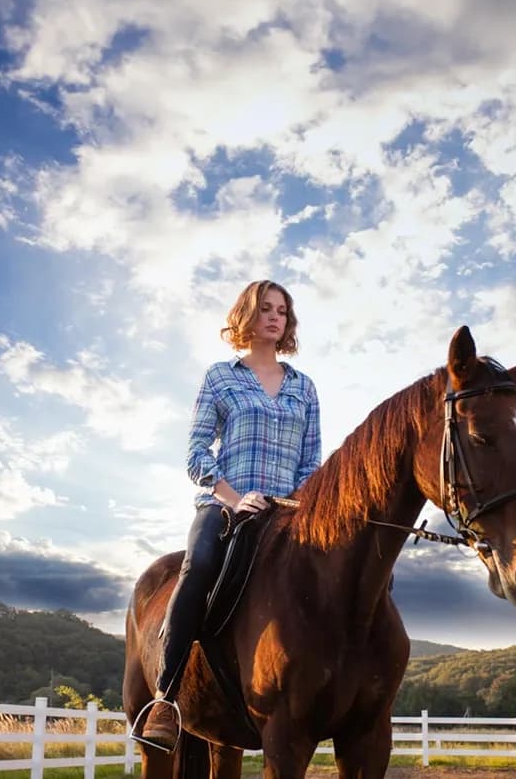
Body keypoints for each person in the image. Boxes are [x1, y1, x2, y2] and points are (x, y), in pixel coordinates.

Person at [135, 279, 322, 752]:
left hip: (289, 514)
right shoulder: (221, 377)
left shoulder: (305, 387)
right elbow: (196, 453)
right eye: (265, 309)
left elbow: (312, 460)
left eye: (282, 310)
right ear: (247, 316)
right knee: (197, 568)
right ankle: (166, 698)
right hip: (225, 506)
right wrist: (234, 498)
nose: (275, 317)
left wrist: (297, 505)